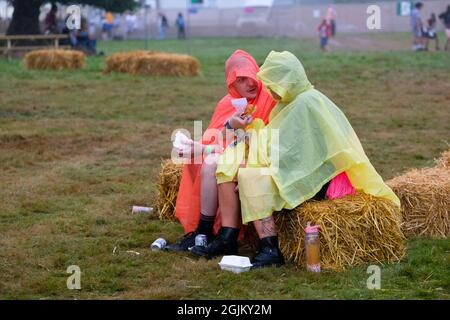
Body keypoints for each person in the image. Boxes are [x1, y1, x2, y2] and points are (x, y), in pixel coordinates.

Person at [190, 51, 400, 269]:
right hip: (300, 168)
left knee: (250, 177)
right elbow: (278, 143)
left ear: (285, 80)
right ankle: (232, 237)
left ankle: (269, 249)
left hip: (317, 177)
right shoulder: (291, 102)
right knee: (234, 168)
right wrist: (249, 136)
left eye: (273, 84)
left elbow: (293, 152)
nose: (270, 90)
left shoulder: (307, 103)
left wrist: (252, 142)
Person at [165, 50, 276, 252]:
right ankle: (203, 231)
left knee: (214, 161)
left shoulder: (268, 99)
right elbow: (218, 138)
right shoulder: (227, 103)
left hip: (256, 159)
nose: (250, 84)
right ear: (232, 84)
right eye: (241, 80)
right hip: (231, 155)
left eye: (252, 77)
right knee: (208, 164)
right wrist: (201, 147)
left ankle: (224, 234)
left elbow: (267, 141)